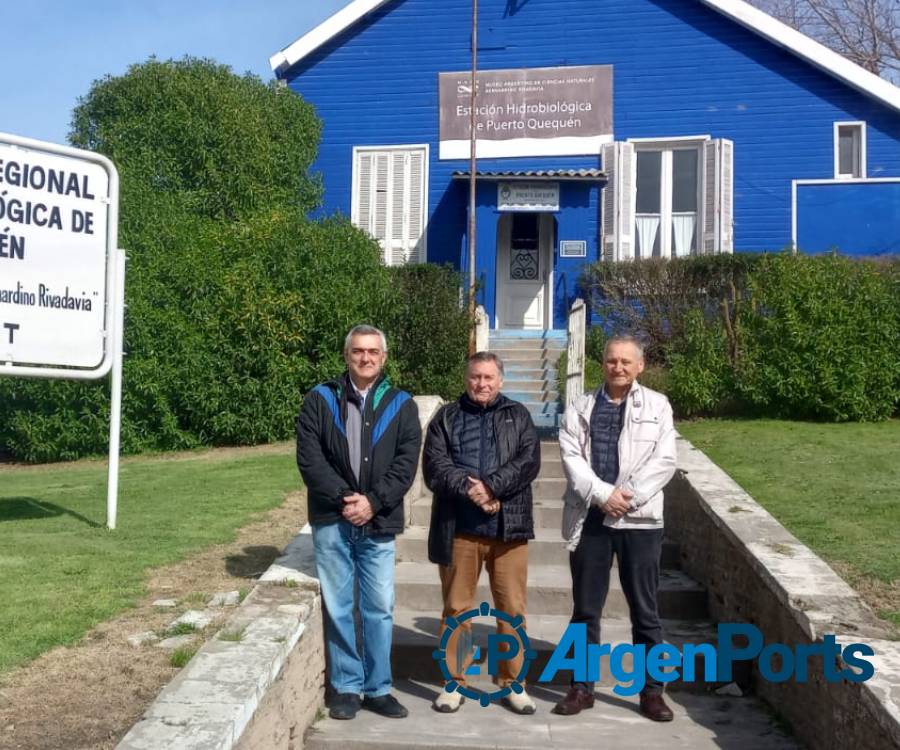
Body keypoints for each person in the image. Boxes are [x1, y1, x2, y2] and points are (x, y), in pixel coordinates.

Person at [296, 325, 421, 721]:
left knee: (379, 607)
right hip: (332, 519)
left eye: (372, 352)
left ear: (383, 357)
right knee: (339, 606)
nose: (365, 358)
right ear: (346, 355)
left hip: (379, 521)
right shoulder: (320, 399)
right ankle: (347, 687)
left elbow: (406, 464)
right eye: (357, 351)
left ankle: (379, 687)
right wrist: (344, 499)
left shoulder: (402, 404)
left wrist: (373, 501)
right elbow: (310, 459)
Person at [553, 335, 677, 722]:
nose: (618, 367)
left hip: (640, 521)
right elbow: (571, 455)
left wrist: (628, 496)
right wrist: (602, 495)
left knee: (645, 610)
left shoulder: (658, 406)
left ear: (640, 366)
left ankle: (652, 692)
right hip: (592, 518)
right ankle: (581, 687)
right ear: (602, 364)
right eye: (611, 361)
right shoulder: (580, 406)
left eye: (626, 361)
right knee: (585, 610)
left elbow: (665, 459)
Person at [424, 351, 540, 714]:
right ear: (466, 379)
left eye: (489, 377)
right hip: (460, 528)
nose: (482, 384)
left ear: (500, 380)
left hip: (509, 529)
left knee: (512, 609)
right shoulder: (446, 417)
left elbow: (528, 461)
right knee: (457, 609)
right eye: (476, 377)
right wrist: (472, 490)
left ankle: (512, 682)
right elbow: (435, 467)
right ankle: (454, 683)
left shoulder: (517, 415)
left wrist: (491, 488)